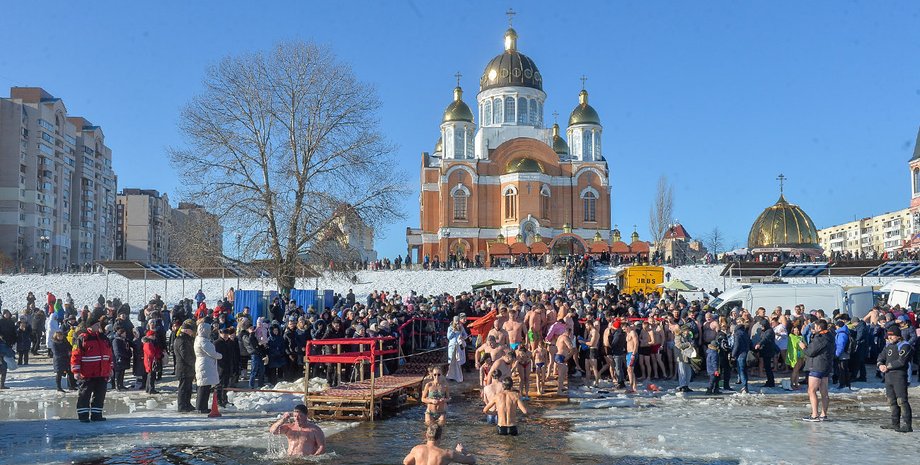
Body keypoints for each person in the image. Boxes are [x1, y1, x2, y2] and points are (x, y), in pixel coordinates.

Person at [71, 308, 113, 422]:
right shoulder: (83, 338)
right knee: (85, 395)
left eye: (99, 325)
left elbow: (109, 355)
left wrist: (110, 368)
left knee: (99, 395)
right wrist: (76, 371)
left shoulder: (104, 338)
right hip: (87, 374)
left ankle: (96, 415)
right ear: (90, 326)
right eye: (96, 325)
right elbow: (75, 355)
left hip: (102, 372)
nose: (99, 327)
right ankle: (83, 416)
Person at [878, 327, 913, 432]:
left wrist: (887, 366)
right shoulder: (888, 346)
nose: (890, 337)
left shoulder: (905, 346)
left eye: (892, 335)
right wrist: (880, 365)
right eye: (889, 335)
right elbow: (881, 356)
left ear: (898, 336)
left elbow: (901, 361)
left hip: (899, 376)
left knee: (901, 401)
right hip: (889, 377)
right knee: (891, 401)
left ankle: (907, 425)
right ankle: (895, 423)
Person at [800, 319, 834, 422]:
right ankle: (824, 414)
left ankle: (815, 415)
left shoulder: (820, 338)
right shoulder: (830, 336)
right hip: (825, 366)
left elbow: (810, 352)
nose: (813, 328)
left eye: (814, 327)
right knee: (824, 391)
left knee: (812, 390)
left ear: (819, 327)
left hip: (817, 366)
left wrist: (803, 347)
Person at [403, 424, 476, 465]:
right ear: (441, 437)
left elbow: (406, 462)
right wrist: (463, 450)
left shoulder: (416, 449)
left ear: (426, 435)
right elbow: (472, 460)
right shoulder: (447, 454)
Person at [194, 322, 223, 414]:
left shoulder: (200, 340)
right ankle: (201, 407)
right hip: (204, 365)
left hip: (204, 364)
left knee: (204, 386)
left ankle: (202, 406)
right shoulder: (203, 341)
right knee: (204, 387)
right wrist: (220, 355)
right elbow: (212, 353)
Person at [174, 320, 196, 412]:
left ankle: (187, 403)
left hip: (188, 369)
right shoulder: (181, 340)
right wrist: (194, 364)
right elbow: (185, 355)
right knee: (183, 389)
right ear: (186, 330)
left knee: (188, 388)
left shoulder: (186, 339)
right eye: (191, 330)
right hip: (183, 369)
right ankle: (182, 406)